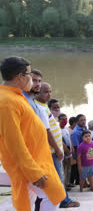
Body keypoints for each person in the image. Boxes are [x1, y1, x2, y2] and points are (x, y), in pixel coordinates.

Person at [0, 56, 65, 211]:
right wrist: (33, 172)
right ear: (19, 76)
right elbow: (13, 142)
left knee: (28, 202)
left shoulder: (15, 95)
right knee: (53, 195)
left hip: (36, 159)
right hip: (29, 164)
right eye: (29, 74)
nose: (33, 79)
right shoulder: (6, 102)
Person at [35, 85, 79, 208]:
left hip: (55, 151)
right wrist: (59, 150)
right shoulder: (41, 109)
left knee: (60, 177)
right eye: (45, 92)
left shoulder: (45, 109)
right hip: (53, 152)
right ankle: (64, 201)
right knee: (58, 178)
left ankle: (62, 199)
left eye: (50, 92)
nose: (48, 94)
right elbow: (47, 132)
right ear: (38, 93)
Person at [70, 114, 87, 185]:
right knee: (81, 169)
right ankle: (83, 184)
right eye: (81, 120)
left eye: (84, 120)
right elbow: (76, 147)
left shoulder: (84, 127)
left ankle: (85, 182)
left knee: (86, 168)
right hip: (80, 153)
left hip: (86, 151)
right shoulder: (75, 132)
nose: (83, 122)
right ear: (77, 122)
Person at [59, 113, 74, 190]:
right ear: (59, 120)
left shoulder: (66, 129)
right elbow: (61, 142)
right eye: (63, 119)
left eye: (66, 119)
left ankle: (67, 183)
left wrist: (71, 149)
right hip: (64, 152)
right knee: (64, 169)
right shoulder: (58, 129)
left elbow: (69, 138)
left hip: (69, 151)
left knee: (68, 169)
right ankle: (63, 185)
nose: (65, 120)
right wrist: (66, 150)